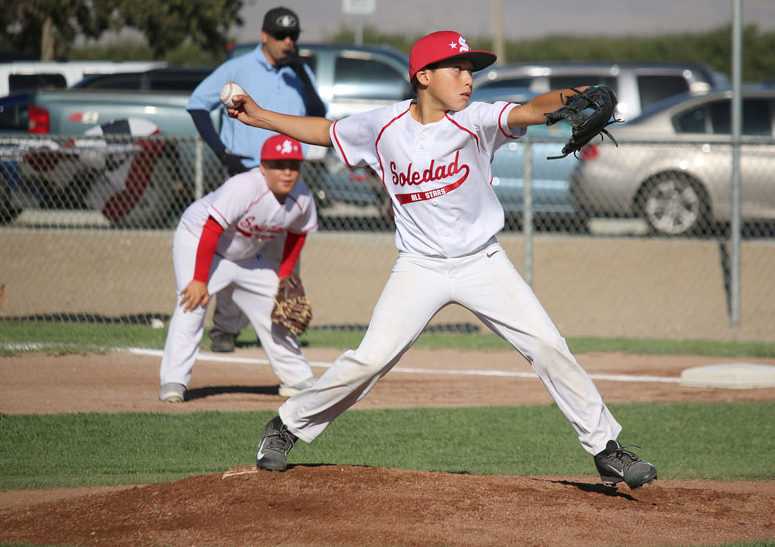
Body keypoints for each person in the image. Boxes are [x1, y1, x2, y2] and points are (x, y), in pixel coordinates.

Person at [227, 30, 658, 489]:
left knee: (548, 345)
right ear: (424, 76)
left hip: (482, 262)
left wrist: (576, 97)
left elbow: (532, 109)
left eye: (472, 70)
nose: (468, 78)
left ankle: (607, 450)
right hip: (419, 266)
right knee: (369, 359)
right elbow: (326, 132)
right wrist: (260, 118)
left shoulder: (476, 119)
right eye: (458, 68)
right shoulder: (383, 125)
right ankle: (285, 427)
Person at [187, 6, 326, 353]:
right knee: (237, 254)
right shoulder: (239, 68)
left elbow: (319, 114)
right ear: (264, 36)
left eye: (293, 36)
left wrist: (302, 74)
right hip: (245, 172)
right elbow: (197, 104)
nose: (287, 41)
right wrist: (221, 151)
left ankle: (279, 328)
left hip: (287, 175)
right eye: (280, 36)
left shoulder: (298, 72)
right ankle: (224, 331)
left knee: (281, 257)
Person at [158, 134, 319, 403]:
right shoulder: (244, 187)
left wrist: (284, 276)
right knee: (192, 302)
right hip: (198, 239)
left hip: (244, 254)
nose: (288, 172)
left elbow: (298, 233)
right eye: (279, 165)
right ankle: (173, 381)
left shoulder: (302, 197)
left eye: (293, 165)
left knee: (275, 306)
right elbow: (212, 228)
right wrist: (199, 279)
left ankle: (297, 378)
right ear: (263, 167)